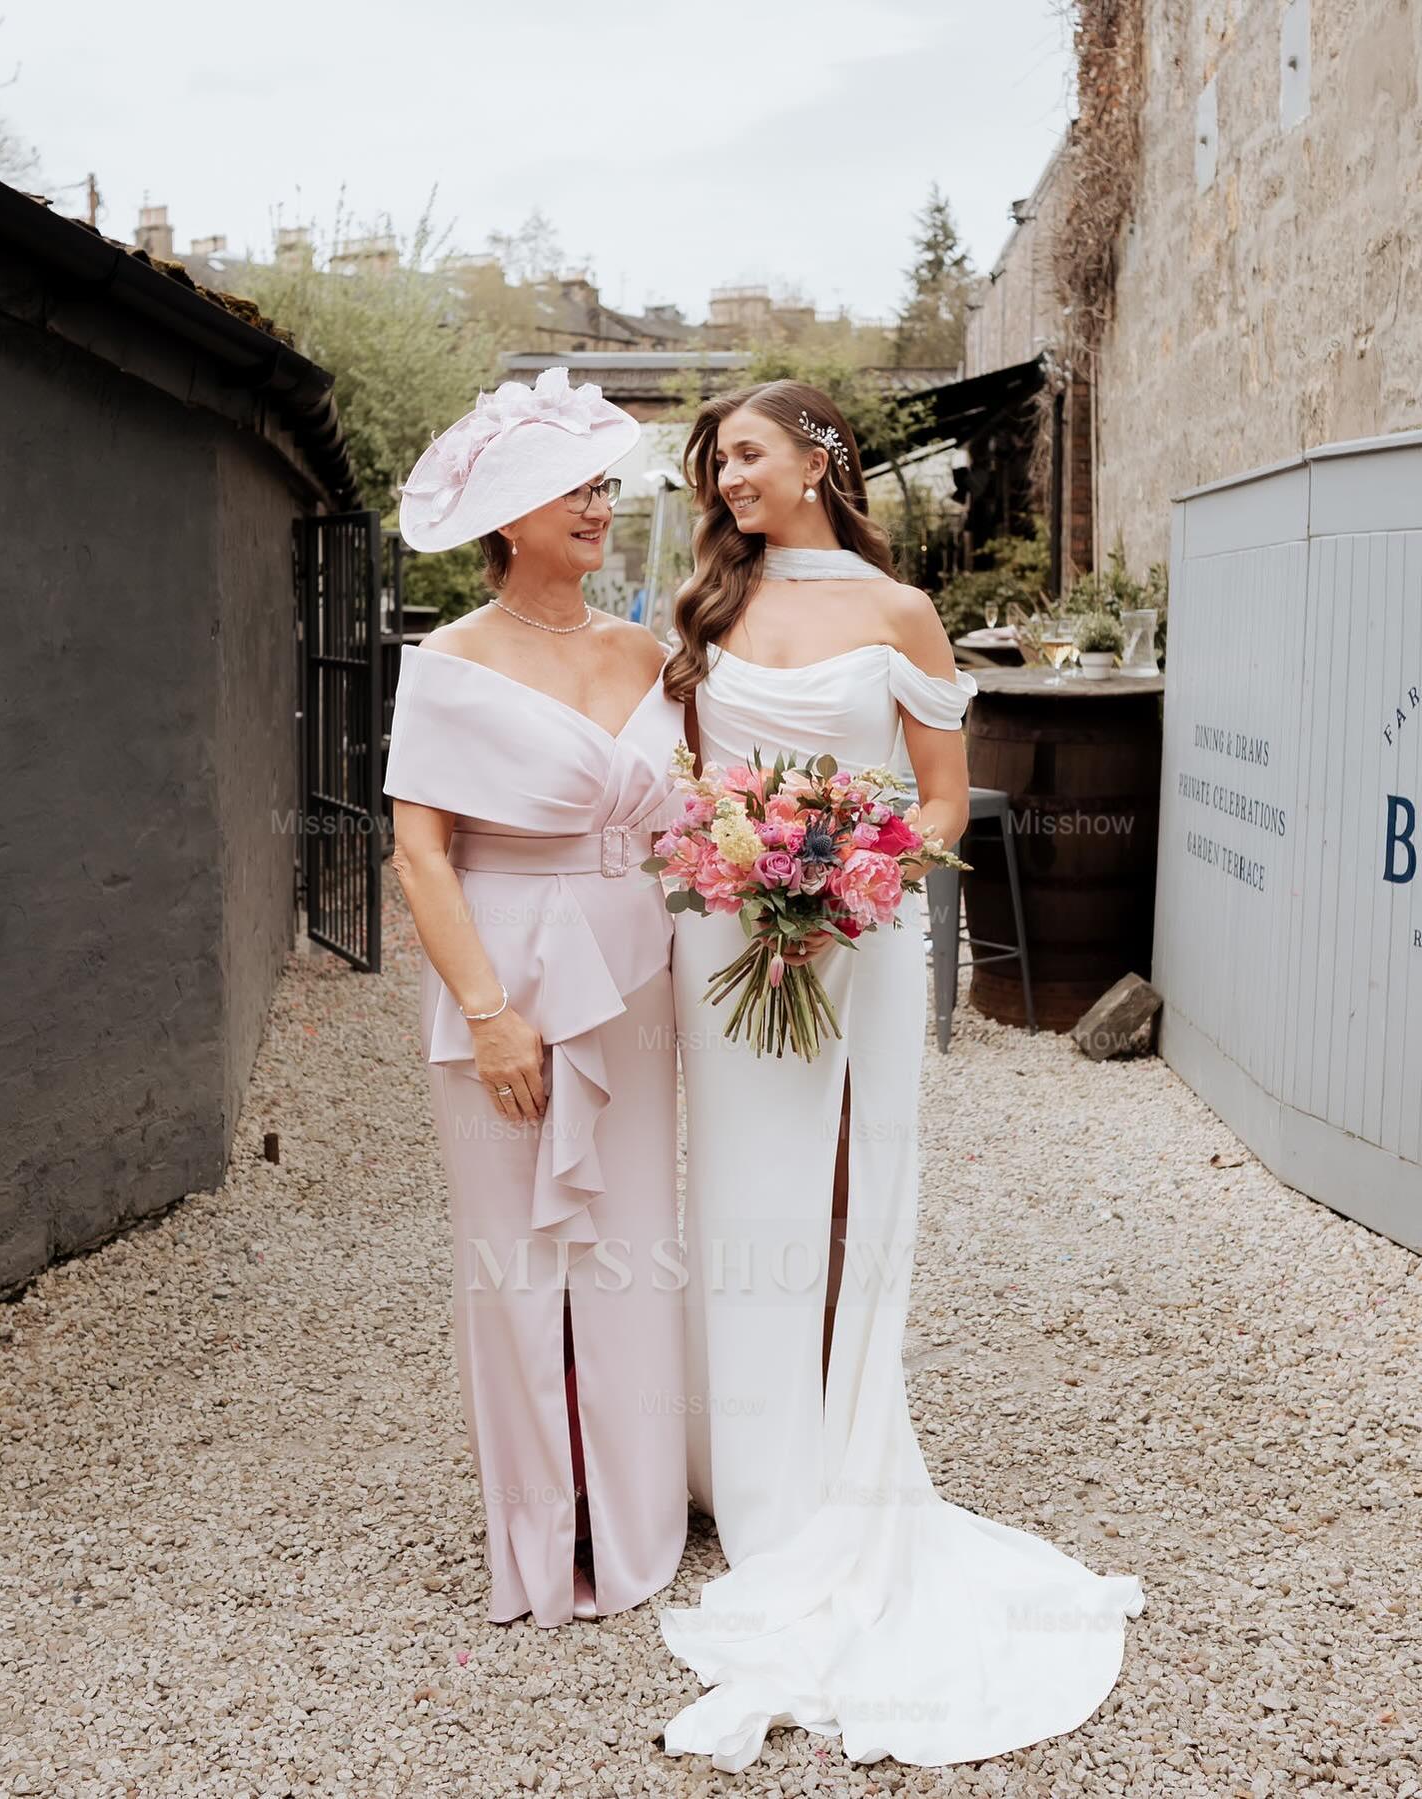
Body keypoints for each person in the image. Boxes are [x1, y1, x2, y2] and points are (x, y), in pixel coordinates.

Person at [657, 380, 1145, 1770]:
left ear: (817, 457)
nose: (724, 478)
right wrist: (746, 881)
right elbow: (692, 788)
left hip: (854, 938)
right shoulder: (702, 609)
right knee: (744, 1191)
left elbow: (936, 796)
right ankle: (755, 1485)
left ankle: (845, 1457)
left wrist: (844, 896)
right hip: (728, 934)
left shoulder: (899, 613)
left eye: (743, 453)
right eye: (713, 462)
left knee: (848, 1193)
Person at [383, 366, 688, 1627]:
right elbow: (419, 852)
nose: (597, 505)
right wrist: (489, 1008)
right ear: (507, 515)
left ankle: (635, 1518)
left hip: (635, 979)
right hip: (502, 972)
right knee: (516, 1259)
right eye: (573, 486)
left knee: (626, 1251)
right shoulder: (448, 664)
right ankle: (538, 1531)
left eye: (603, 484)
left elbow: (694, 821)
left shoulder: (649, 650)